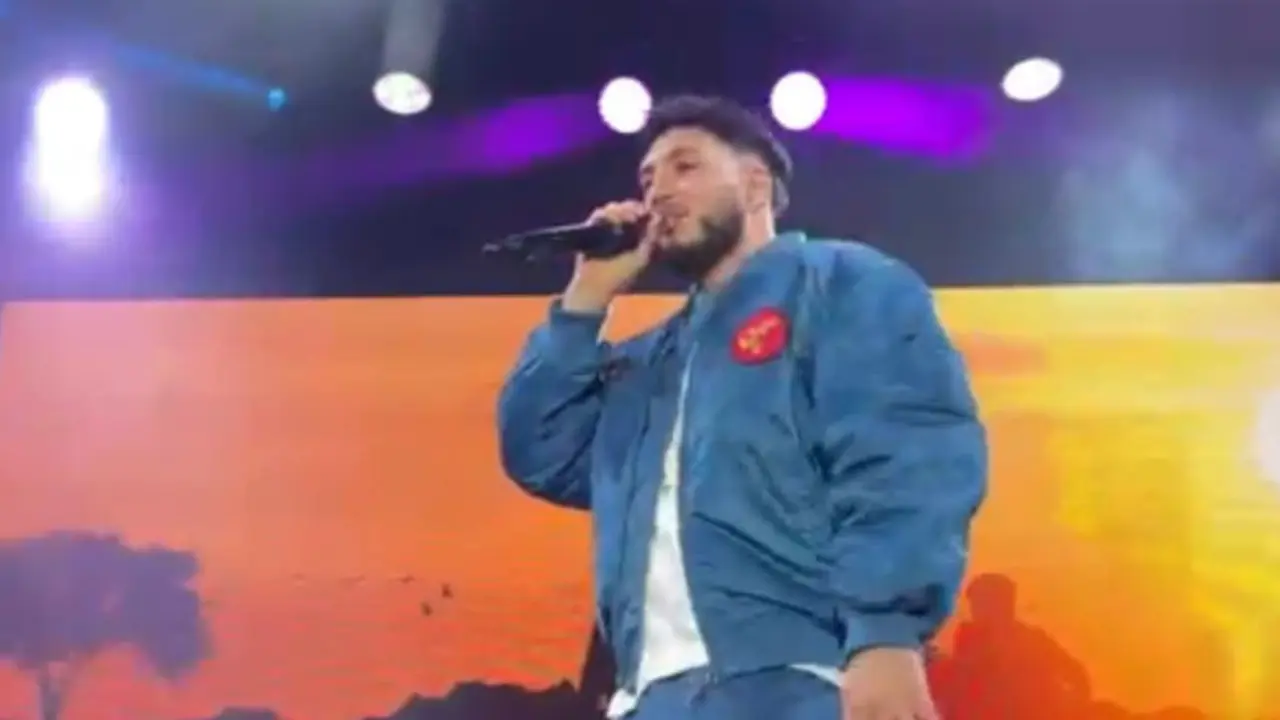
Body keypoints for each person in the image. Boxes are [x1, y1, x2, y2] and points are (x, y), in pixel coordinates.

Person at [497, 95, 987, 720]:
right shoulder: (649, 361)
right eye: (647, 179)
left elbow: (905, 454)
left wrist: (885, 633)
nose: (658, 192)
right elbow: (540, 451)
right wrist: (585, 299)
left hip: (798, 681)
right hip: (650, 697)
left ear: (755, 185)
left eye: (685, 167)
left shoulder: (839, 282)